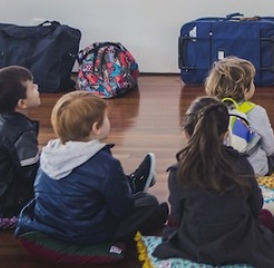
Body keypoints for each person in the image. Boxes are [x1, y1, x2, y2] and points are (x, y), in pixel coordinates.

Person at [153, 96, 274, 268]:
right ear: (225, 134)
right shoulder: (241, 164)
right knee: (265, 218)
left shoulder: (179, 171)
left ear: (186, 133)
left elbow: (177, 216)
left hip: (196, 244)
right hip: (238, 242)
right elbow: (255, 206)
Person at [15, 91, 167, 244]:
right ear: (96, 128)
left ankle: (131, 185)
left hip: (49, 225)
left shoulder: (47, 154)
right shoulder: (106, 164)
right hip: (87, 233)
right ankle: (150, 206)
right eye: (106, 117)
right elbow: (123, 210)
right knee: (148, 202)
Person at [0, 66, 40, 218]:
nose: (37, 87)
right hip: (0, 204)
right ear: (22, 103)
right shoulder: (22, 132)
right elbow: (31, 173)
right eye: (32, 86)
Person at [205, 57, 274, 177]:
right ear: (245, 91)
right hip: (250, 169)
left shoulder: (208, 110)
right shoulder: (257, 112)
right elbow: (269, 148)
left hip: (217, 168)